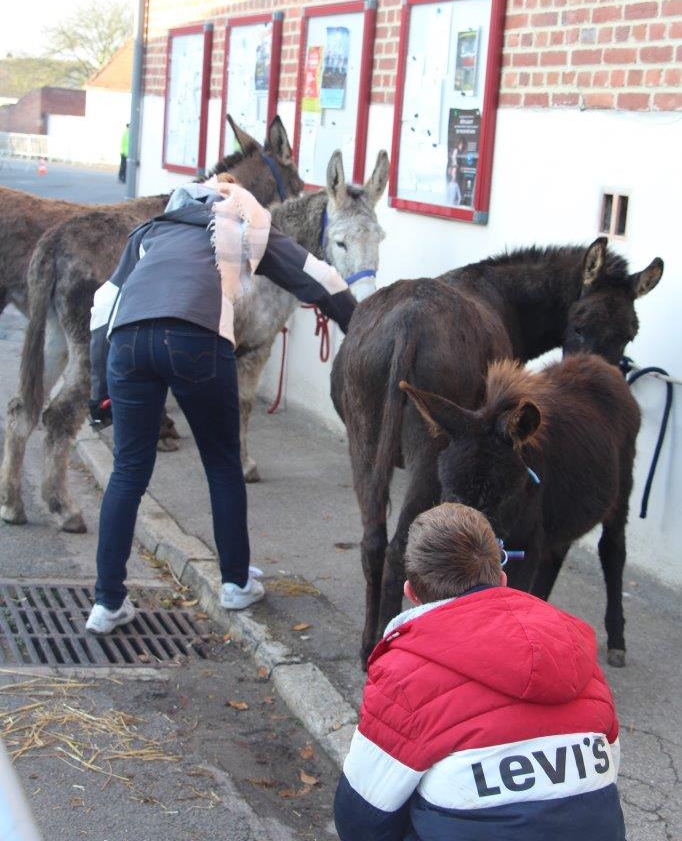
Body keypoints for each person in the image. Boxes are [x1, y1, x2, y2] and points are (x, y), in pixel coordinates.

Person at [86, 174, 356, 634]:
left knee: (129, 471)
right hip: (195, 336)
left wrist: (99, 390)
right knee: (222, 463)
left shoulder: (150, 232)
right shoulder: (240, 223)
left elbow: (104, 303)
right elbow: (317, 276)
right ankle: (234, 583)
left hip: (127, 343)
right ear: (232, 198)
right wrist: (361, 325)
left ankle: (106, 603)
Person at [335, 502, 625, 841]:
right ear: (501, 579)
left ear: (411, 594)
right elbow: (608, 770)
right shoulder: (575, 647)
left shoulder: (404, 670)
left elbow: (361, 818)